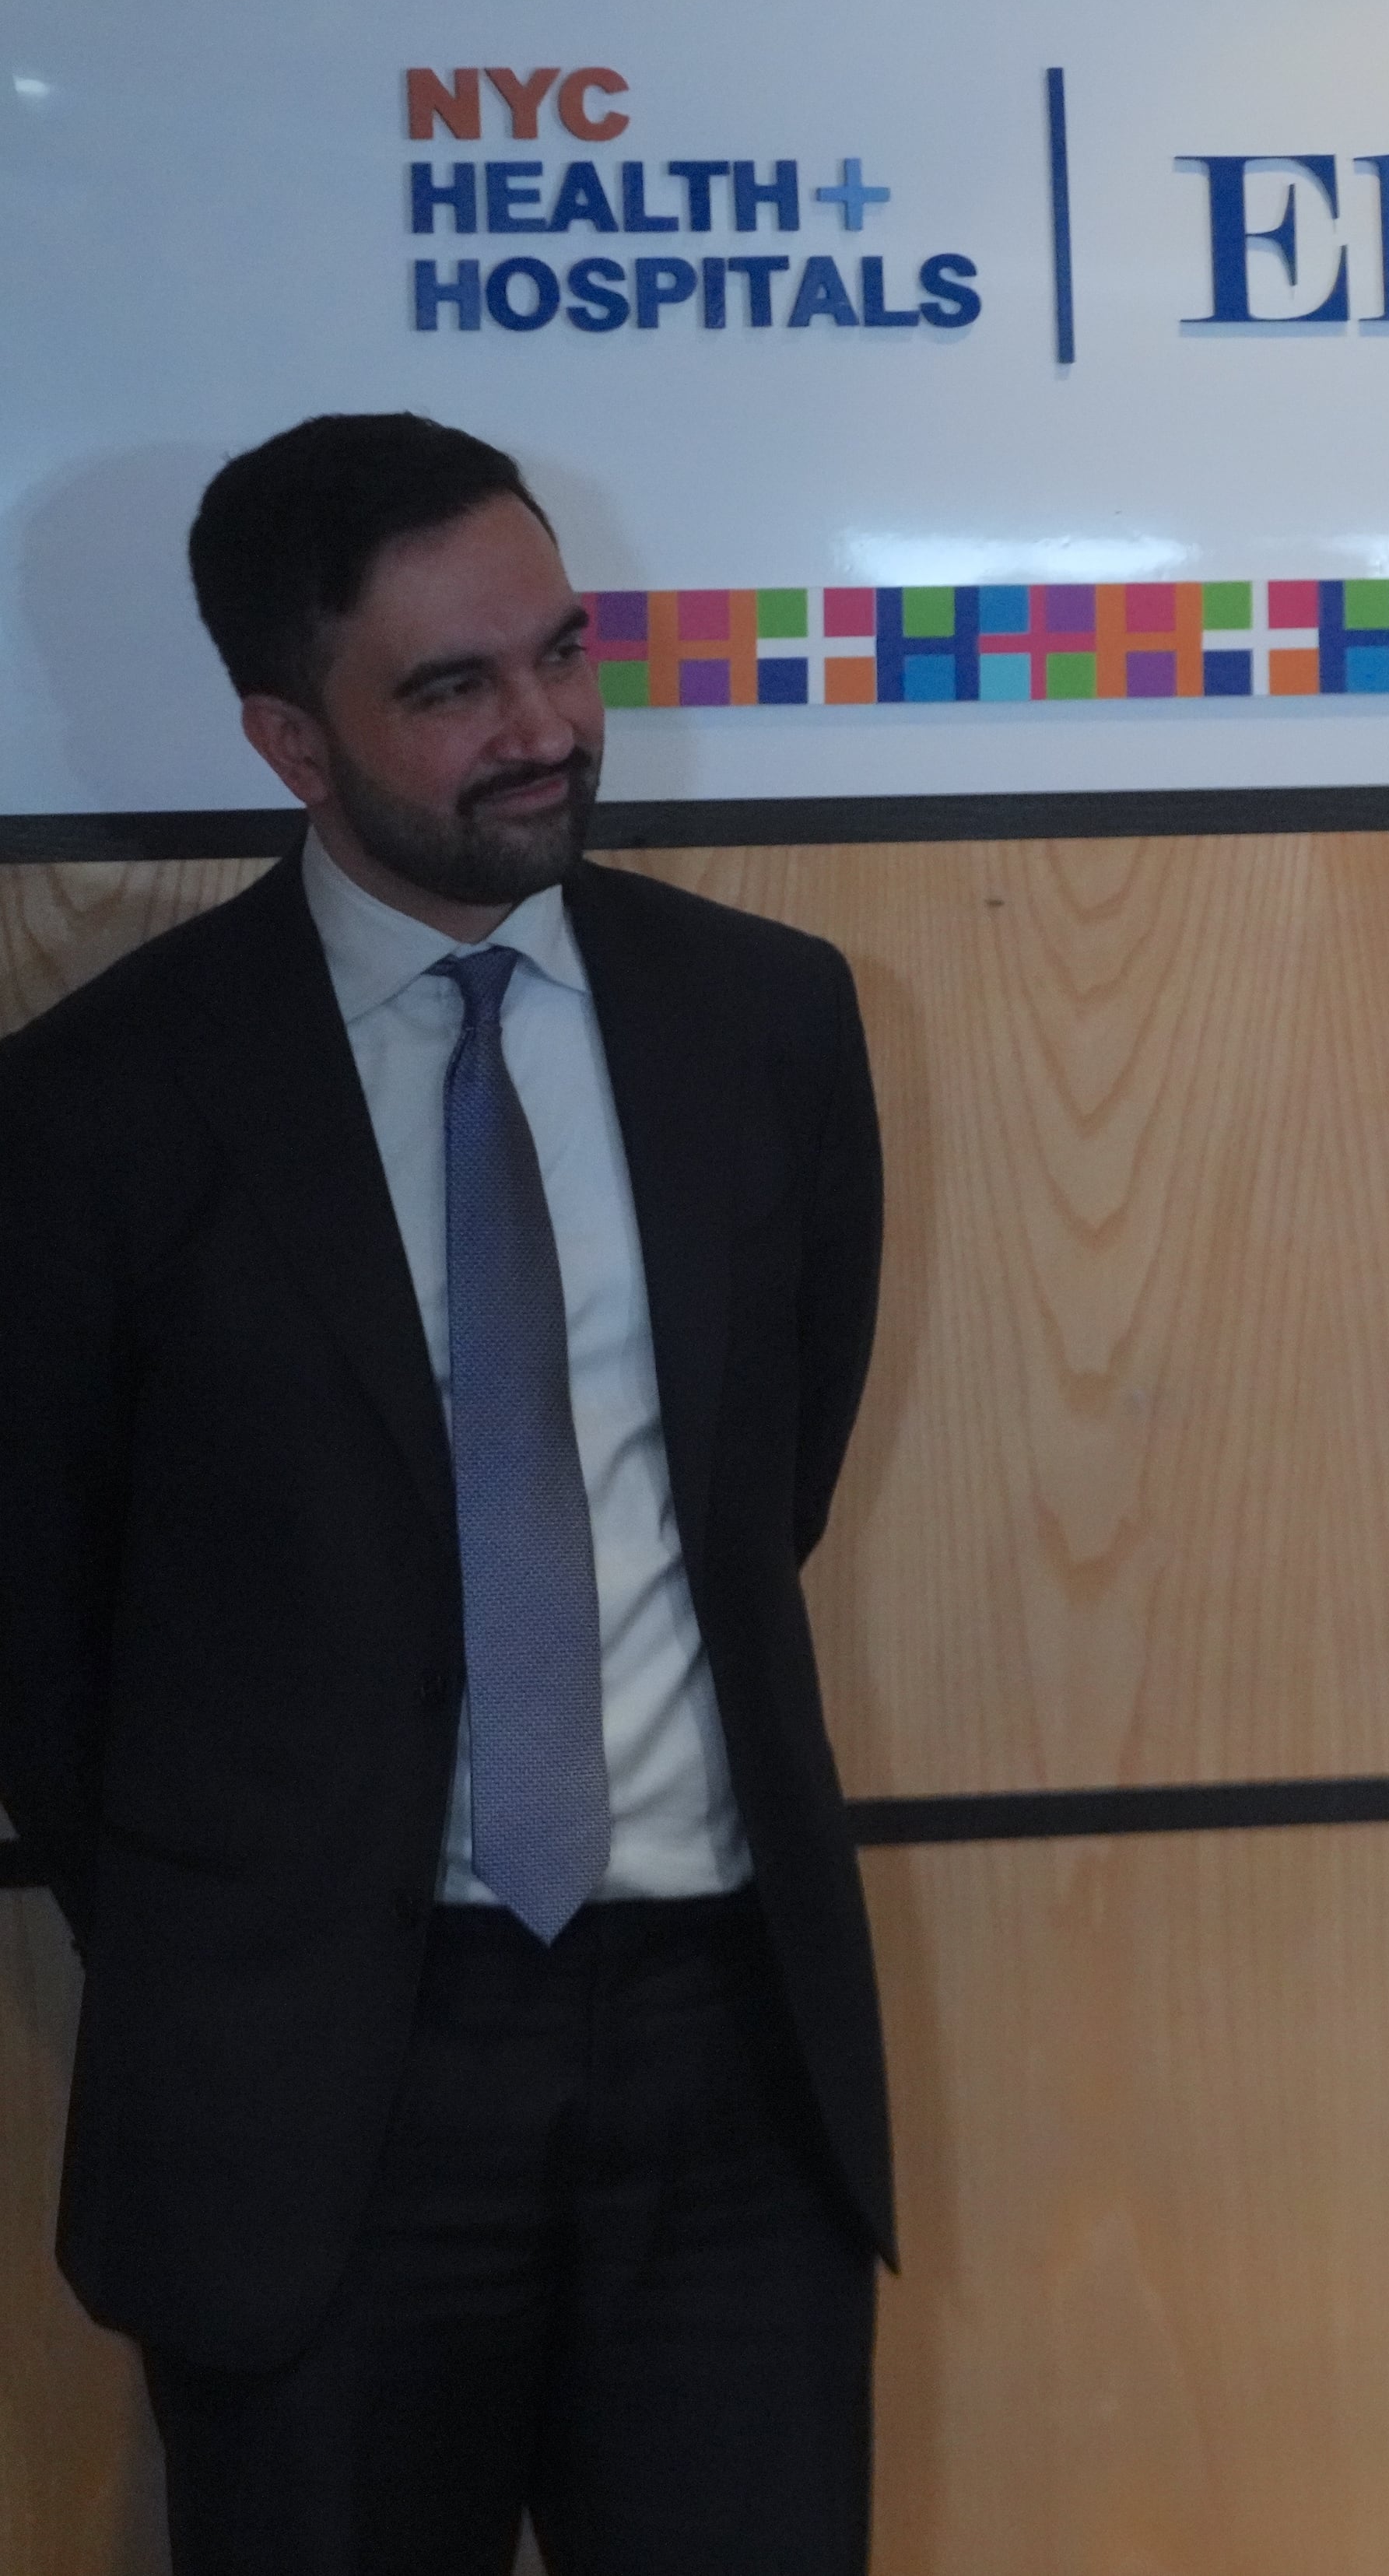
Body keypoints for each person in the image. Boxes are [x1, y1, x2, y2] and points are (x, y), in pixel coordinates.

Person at [0, 414, 893, 2573]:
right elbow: (43, 1641)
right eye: (455, 687)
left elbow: (766, 1477)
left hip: (726, 2064)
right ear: (289, 737)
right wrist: (264, 1930)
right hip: (322, 2093)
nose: (548, 730)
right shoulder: (101, 1107)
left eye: (563, 653)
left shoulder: (766, 1023)